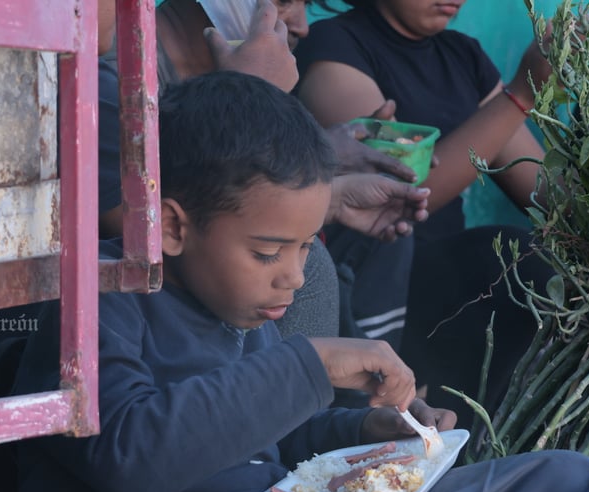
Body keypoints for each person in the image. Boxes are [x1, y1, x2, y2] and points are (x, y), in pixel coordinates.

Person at [10, 70, 589, 492]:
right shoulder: (100, 301)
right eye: (268, 251)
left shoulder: (243, 305)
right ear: (174, 225)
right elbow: (134, 457)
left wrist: (367, 432)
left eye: (302, 246)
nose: (293, 274)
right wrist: (312, 364)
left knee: (575, 489)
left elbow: (277, 442)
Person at [102, 0, 431, 343]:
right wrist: (255, 94)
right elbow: (145, 226)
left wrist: (330, 189)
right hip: (156, 320)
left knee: (381, 226)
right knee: (312, 265)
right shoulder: (119, 71)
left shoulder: (264, 67)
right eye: (285, 2)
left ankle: (381, 390)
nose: (303, 26)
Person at [292, 0, 557, 424]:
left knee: (539, 264)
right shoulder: (335, 45)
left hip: (446, 277)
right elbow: (396, 197)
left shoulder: (463, 55)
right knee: (509, 259)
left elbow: (545, 191)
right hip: (372, 277)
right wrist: (520, 95)